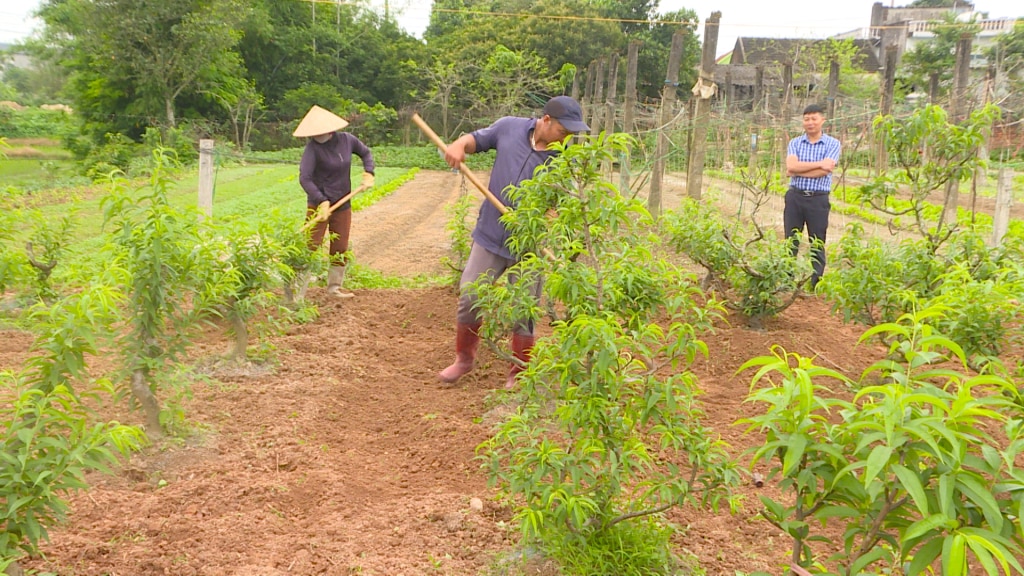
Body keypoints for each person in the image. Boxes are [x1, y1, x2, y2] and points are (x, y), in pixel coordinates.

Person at [438, 96, 589, 389]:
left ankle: (518, 374)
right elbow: (474, 140)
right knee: (471, 296)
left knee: (525, 310)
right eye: (563, 130)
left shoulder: (564, 160)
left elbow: (563, 207)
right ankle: (464, 360)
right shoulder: (508, 128)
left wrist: (551, 218)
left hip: (529, 247)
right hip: (490, 235)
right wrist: (458, 145)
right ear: (546, 120)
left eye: (571, 134)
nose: (566, 138)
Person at [294, 105, 375, 298]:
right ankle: (298, 291)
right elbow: (304, 178)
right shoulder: (312, 149)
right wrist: (321, 200)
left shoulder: (347, 141)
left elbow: (366, 153)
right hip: (319, 205)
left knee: (340, 246)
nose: (316, 136)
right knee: (311, 246)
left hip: (342, 203)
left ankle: (334, 288)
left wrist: (368, 172)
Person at [784, 103, 841, 290]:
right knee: (791, 240)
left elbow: (827, 169)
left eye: (814, 118)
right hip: (795, 197)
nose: (810, 122)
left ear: (822, 120)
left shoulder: (833, 143)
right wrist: (818, 165)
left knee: (817, 241)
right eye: (806, 119)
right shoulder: (795, 143)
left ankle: (816, 283)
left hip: (818, 199)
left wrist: (799, 170)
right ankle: (786, 280)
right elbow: (791, 167)